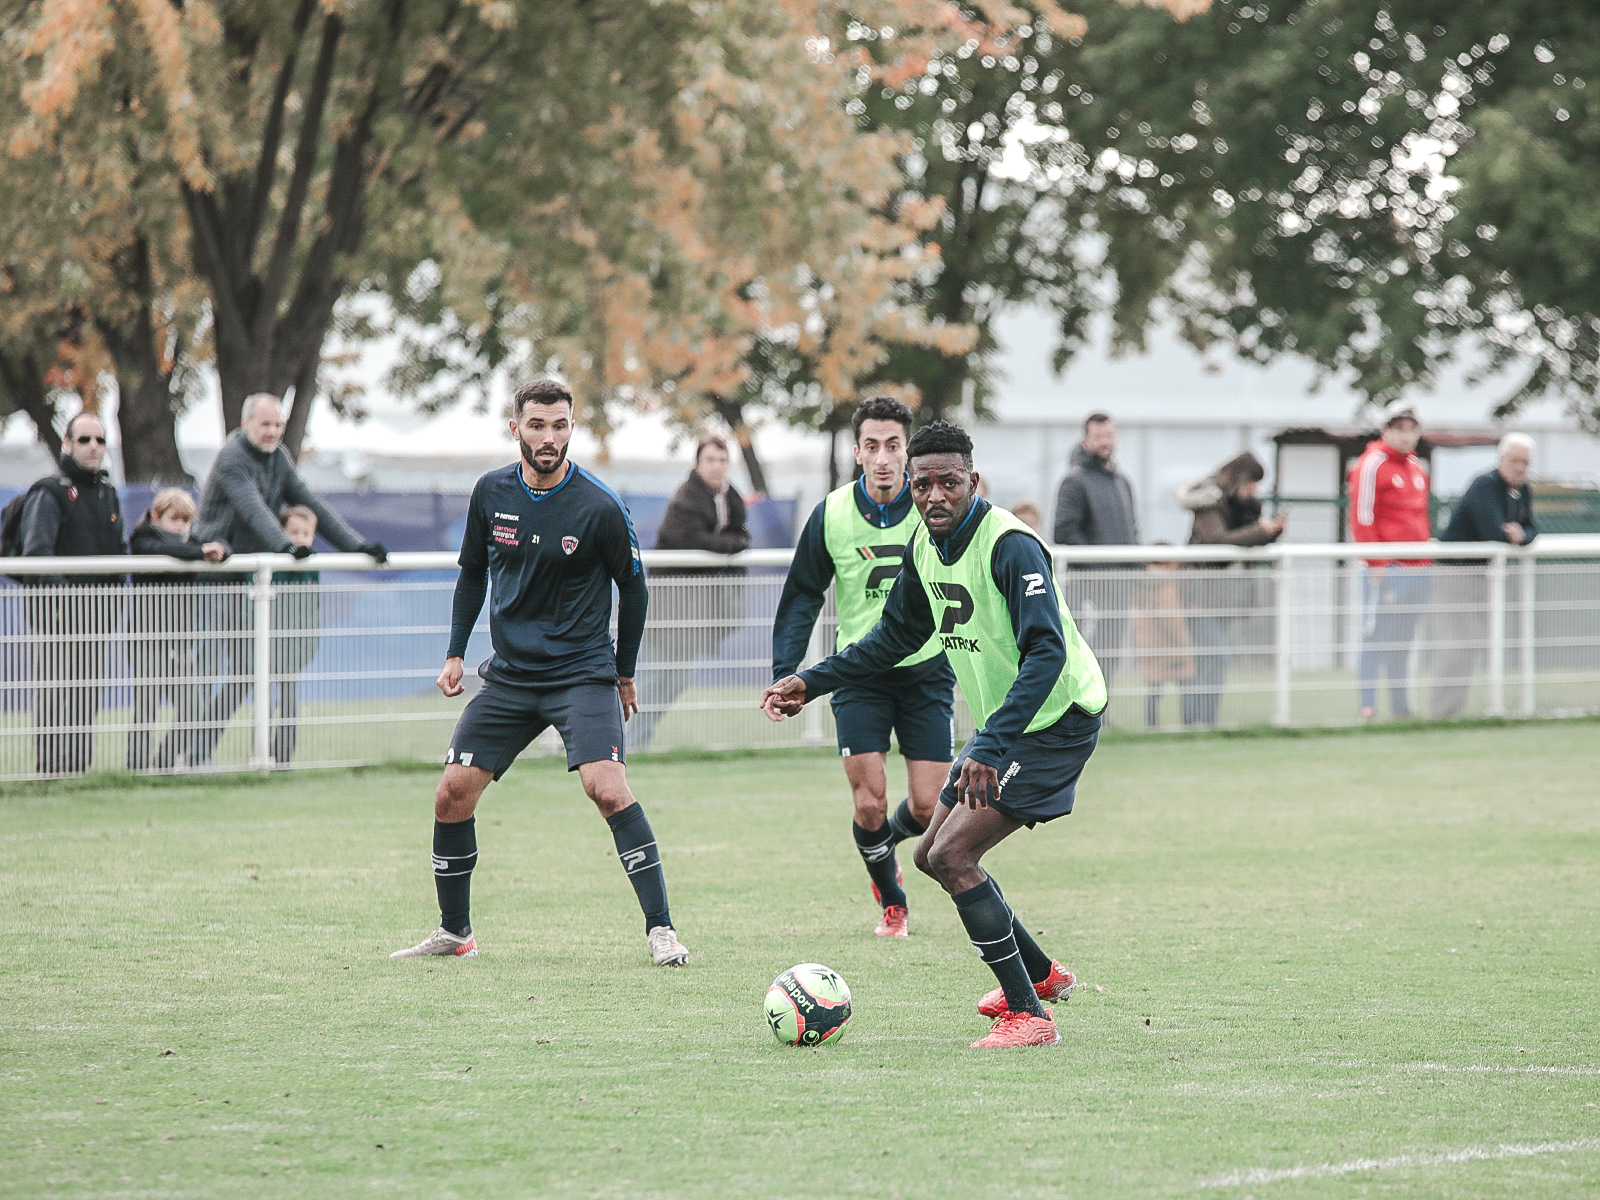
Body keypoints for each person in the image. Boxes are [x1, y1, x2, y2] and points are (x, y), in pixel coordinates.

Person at [763, 421, 1107, 1049]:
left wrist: (989, 745)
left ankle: (1029, 1017)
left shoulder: (1011, 546)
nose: (934, 496)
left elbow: (1046, 653)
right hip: (1009, 727)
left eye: (950, 483)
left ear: (973, 482)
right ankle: (1040, 975)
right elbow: (893, 639)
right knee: (928, 854)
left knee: (953, 856)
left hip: (1056, 721)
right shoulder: (925, 544)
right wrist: (810, 683)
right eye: (923, 485)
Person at [391, 377, 689, 968]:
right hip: (510, 677)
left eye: (560, 426)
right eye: (537, 425)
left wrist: (623, 672)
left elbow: (634, 588)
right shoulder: (490, 492)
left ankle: (662, 930)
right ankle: (456, 932)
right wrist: (455, 652)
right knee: (451, 794)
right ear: (516, 429)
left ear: (571, 428)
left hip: (582, 673)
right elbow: (472, 573)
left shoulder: (600, 505)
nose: (549, 437)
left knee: (606, 788)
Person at [769, 397, 956, 938]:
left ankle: (887, 842)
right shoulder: (832, 514)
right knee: (868, 800)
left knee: (928, 810)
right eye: (871, 446)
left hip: (926, 671)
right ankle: (892, 902)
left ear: (907, 451)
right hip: (858, 675)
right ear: (856, 452)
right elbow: (802, 595)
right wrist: (788, 674)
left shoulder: (933, 510)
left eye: (893, 446)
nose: (882, 458)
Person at [189, 393, 386, 765]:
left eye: (277, 424)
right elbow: (253, 509)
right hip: (220, 579)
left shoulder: (279, 458)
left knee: (271, 671)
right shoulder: (232, 458)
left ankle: (270, 760)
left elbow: (310, 503)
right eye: (265, 424)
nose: (272, 432)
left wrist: (359, 547)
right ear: (245, 424)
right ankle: (193, 757)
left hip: (256, 579)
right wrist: (285, 546)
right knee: (232, 674)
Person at [18, 411, 128, 775]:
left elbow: (117, 555)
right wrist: (68, 600)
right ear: (67, 443)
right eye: (84, 439)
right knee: (53, 693)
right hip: (56, 617)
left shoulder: (108, 494)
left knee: (85, 693)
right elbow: (36, 555)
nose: (93, 447)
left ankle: (78, 771)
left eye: (100, 440)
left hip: (97, 619)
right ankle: (50, 771)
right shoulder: (49, 492)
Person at [631, 435, 751, 749]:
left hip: (693, 607)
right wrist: (729, 547)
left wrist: (731, 545)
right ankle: (623, 746)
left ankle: (637, 744)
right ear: (697, 464)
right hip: (666, 604)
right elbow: (692, 539)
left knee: (676, 681)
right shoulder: (685, 499)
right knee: (652, 679)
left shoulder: (730, 497)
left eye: (722, 460)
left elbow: (740, 534)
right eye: (710, 460)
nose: (717, 467)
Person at [1175, 452, 1287, 727]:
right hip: (1199, 591)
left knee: (1215, 660)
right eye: (1252, 483)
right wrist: (1260, 532)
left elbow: (1240, 541)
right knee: (1210, 657)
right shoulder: (1209, 499)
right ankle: (1195, 722)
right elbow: (1217, 540)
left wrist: (1270, 533)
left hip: (1224, 593)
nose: (1254, 491)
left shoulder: (1242, 504)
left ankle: (1207, 721)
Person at [1430, 434, 1538, 719]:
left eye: (1524, 463)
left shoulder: (1522, 489)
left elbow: (1532, 528)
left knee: (1471, 645)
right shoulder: (1485, 486)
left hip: (1484, 576)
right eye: (1514, 461)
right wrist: (1514, 534)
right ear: (1501, 459)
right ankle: (1441, 713)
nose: (1519, 468)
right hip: (1457, 573)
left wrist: (1521, 534)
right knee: (1456, 645)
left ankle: (1454, 712)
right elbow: (1493, 531)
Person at [126, 489, 228, 770]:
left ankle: (163, 765)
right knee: (146, 707)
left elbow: (209, 546)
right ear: (156, 517)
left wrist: (219, 552)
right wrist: (199, 552)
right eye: (174, 519)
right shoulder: (143, 539)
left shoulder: (190, 542)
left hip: (180, 639)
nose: (181, 527)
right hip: (147, 638)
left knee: (194, 706)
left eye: (186, 521)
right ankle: (137, 769)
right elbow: (162, 551)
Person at [1349, 400, 1433, 720]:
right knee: (1376, 637)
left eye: (1412, 429)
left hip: (1418, 568)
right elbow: (1362, 517)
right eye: (1399, 429)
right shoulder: (1372, 464)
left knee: (1404, 640)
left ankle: (1401, 706)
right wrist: (1378, 564)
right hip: (1388, 569)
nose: (1406, 436)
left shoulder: (1417, 468)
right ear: (1386, 430)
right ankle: (1367, 706)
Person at [1052, 412, 1139, 706]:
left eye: (1110, 435)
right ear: (1085, 439)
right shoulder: (1074, 482)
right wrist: (1101, 566)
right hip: (1088, 589)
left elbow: (1132, 532)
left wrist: (1135, 571)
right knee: (1088, 656)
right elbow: (1063, 531)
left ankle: (1104, 714)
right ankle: (1082, 714)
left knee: (1111, 657)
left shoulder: (1122, 481)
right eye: (1099, 436)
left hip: (1119, 588)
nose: (1106, 442)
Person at [270, 506, 322, 765]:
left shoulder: (312, 564)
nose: (300, 538)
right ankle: (262, 753)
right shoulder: (273, 561)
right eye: (294, 532)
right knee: (266, 702)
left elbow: (312, 608)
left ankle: (283, 758)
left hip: (293, 646)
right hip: (268, 642)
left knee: (289, 703)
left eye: (306, 533)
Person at [1129, 554, 1193, 728]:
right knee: (1186, 688)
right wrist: (1184, 643)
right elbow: (1171, 619)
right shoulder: (1165, 586)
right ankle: (1189, 725)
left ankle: (1152, 726)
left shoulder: (1139, 584)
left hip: (1147, 645)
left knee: (1154, 691)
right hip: (1171, 648)